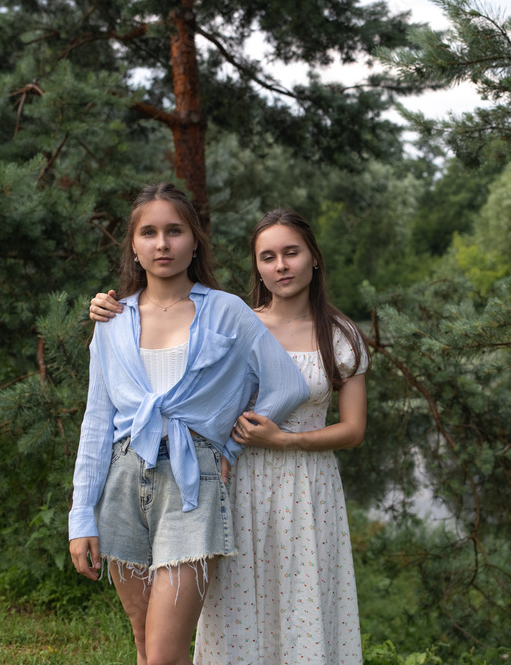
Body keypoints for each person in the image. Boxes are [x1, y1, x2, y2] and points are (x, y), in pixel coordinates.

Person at [90, 209, 368, 664]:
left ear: (314, 258)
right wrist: (110, 306)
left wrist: (285, 441)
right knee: (233, 611)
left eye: (292, 253)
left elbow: (354, 430)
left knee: (305, 601)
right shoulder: (232, 319)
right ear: (256, 266)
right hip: (231, 479)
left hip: (308, 486)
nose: (281, 266)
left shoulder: (342, 335)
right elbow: (178, 368)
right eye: (268, 257)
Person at [70, 184, 308, 665]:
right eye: (149, 233)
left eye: (175, 231)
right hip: (122, 480)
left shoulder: (226, 310)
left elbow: (287, 385)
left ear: (195, 241)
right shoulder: (112, 319)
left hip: (192, 483)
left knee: (164, 652)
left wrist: (229, 447)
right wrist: (81, 516)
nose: (162, 244)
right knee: (143, 643)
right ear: (134, 246)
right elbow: (96, 421)